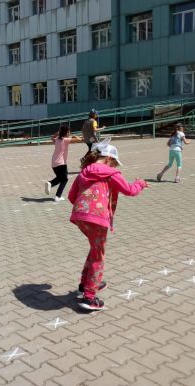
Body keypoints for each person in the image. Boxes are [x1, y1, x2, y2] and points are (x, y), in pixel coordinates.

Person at [68, 139, 148, 311]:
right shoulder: (111, 173)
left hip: (80, 216)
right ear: (108, 158)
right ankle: (89, 297)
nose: (114, 166)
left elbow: (71, 196)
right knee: (99, 256)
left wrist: (85, 206)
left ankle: (85, 283)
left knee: (95, 248)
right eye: (114, 163)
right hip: (97, 218)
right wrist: (140, 183)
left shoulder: (83, 172)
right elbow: (129, 190)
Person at [45, 125, 81, 201]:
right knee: (65, 179)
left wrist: (57, 133)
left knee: (60, 178)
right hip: (61, 163)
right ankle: (57, 196)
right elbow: (79, 139)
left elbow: (52, 137)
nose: (69, 133)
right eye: (69, 132)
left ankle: (50, 184)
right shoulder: (65, 140)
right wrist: (74, 136)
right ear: (66, 132)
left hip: (54, 163)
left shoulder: (57, 139)